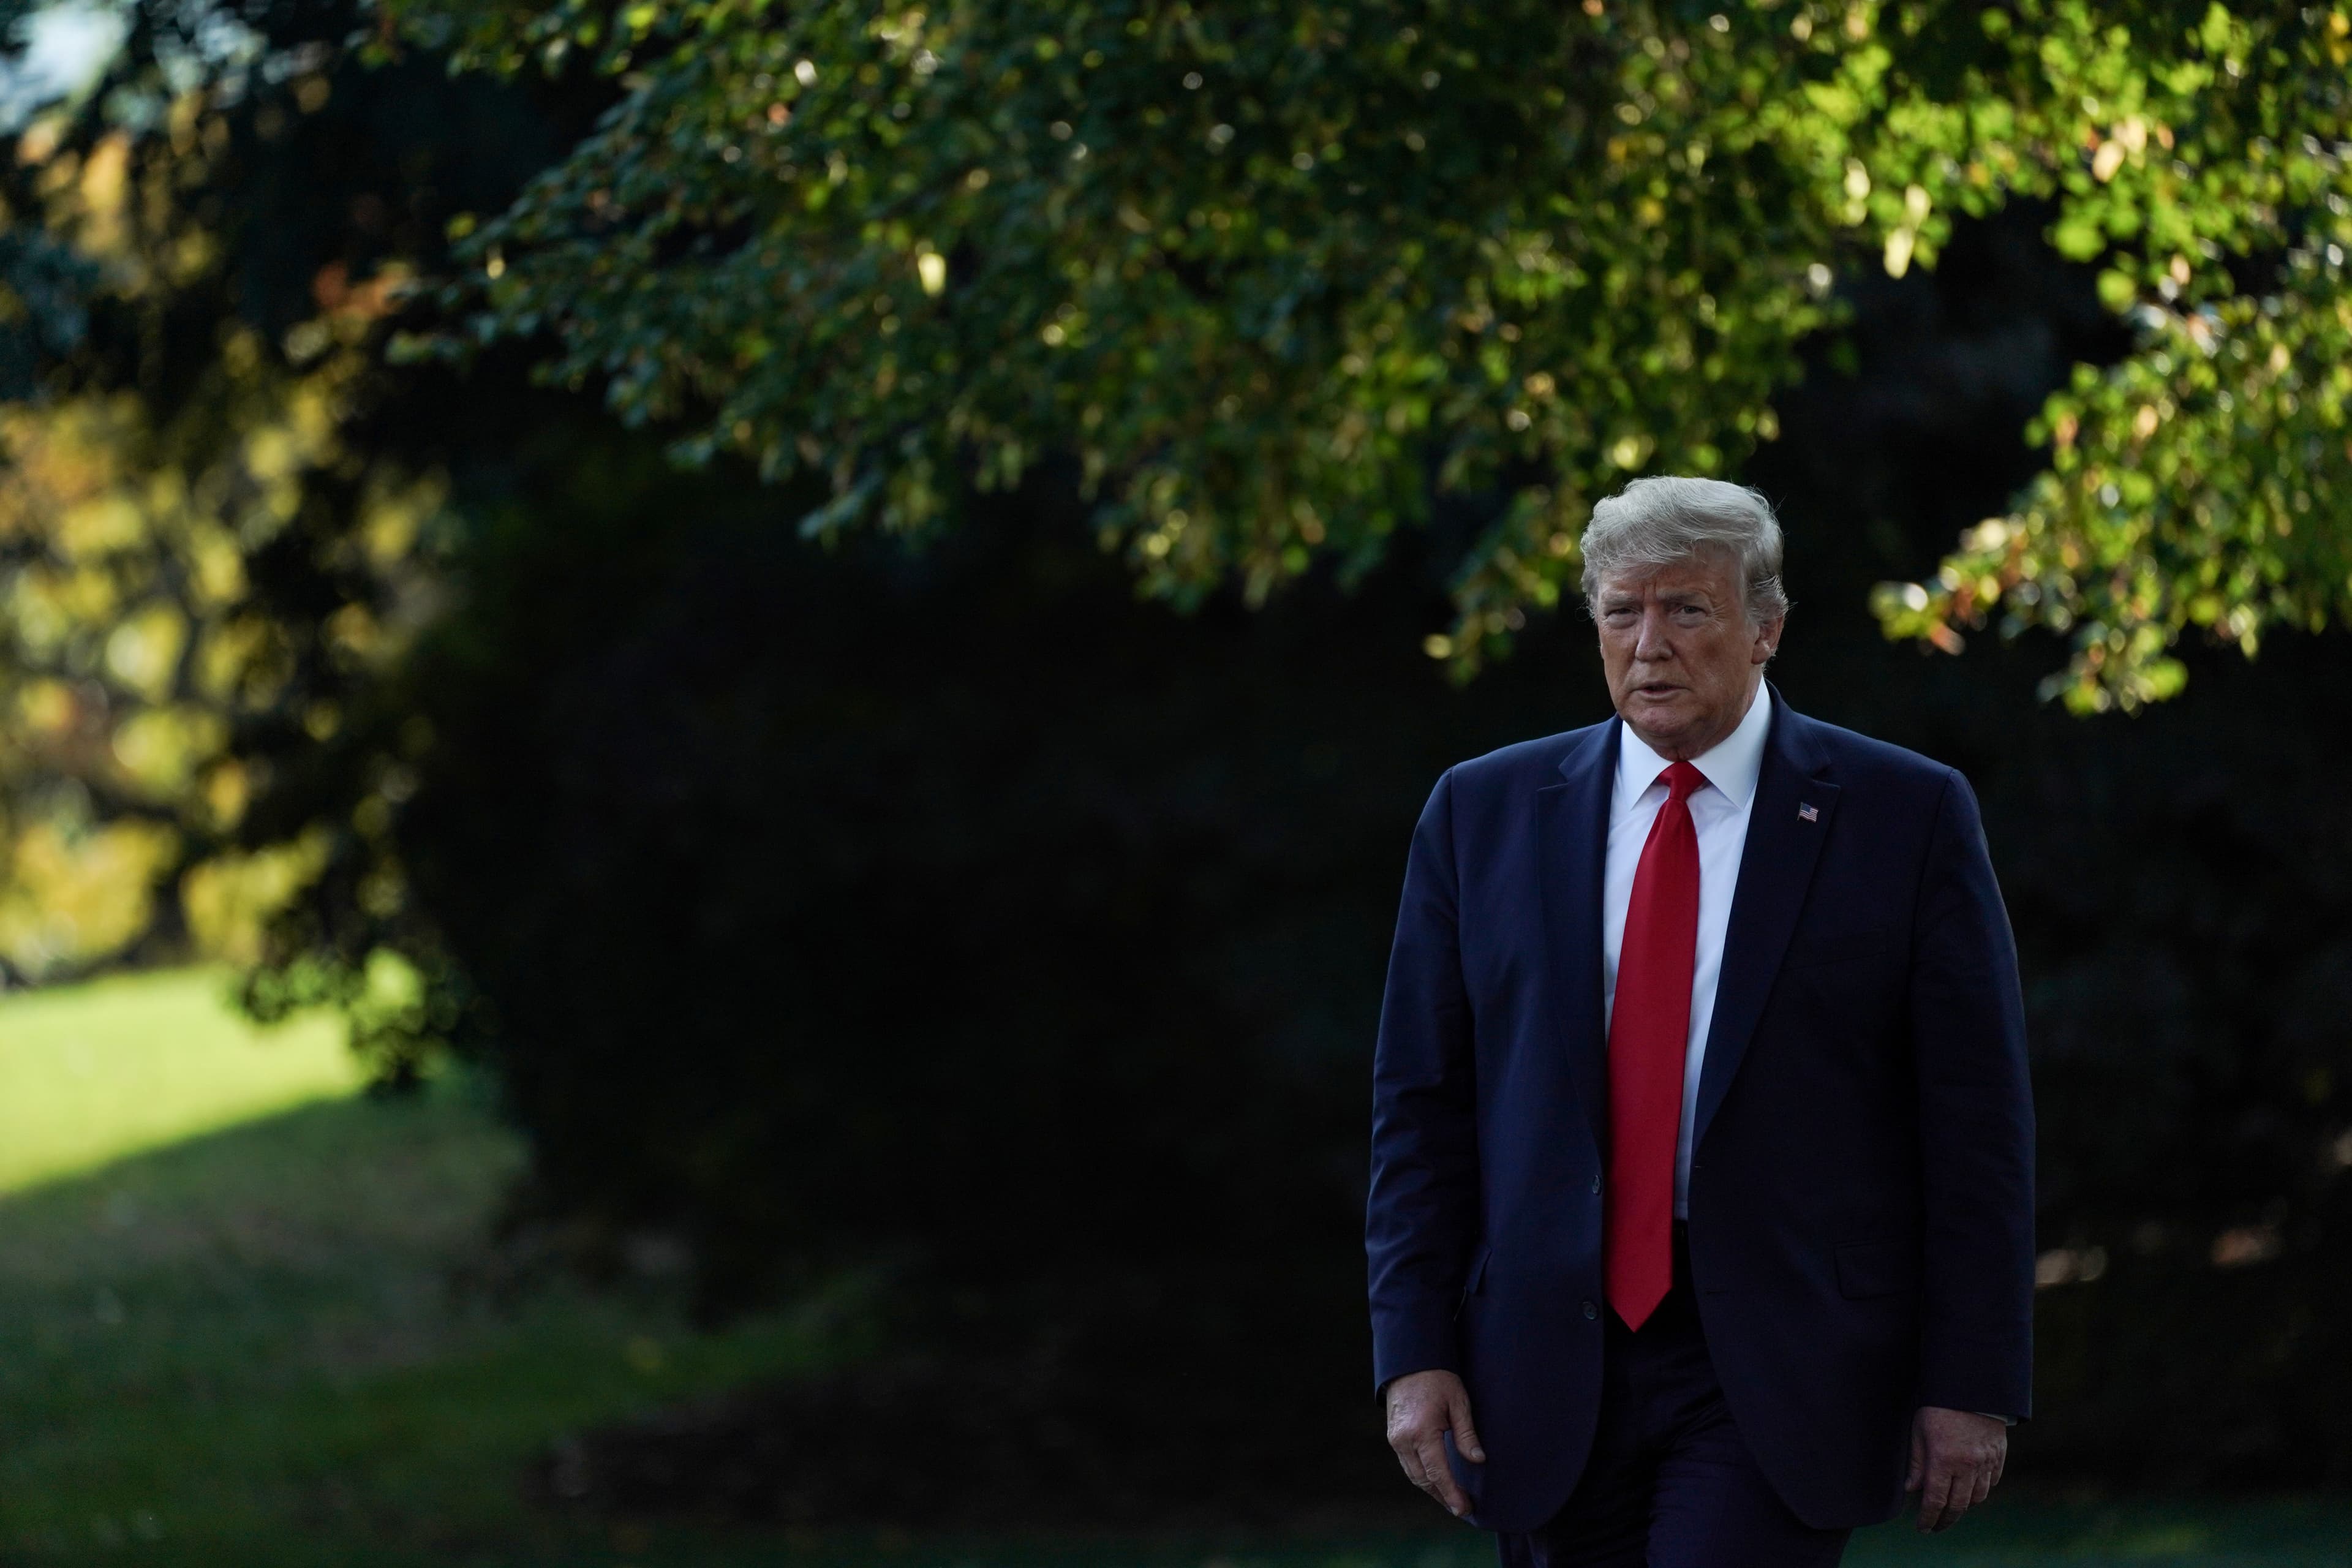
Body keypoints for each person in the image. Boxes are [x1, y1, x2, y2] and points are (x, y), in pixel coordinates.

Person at [1364, 477, 2034, 1566]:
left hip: (1782, 1356)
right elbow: (1419, 1109)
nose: (1650, 646)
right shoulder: (1481, 813)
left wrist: (1972, 1382)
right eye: (1622, 613)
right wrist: (1412, 1351)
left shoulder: (1902, 816)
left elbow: (1976, 1126)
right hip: (1542, 1356)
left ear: (1766, 627)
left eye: (1688, 610)